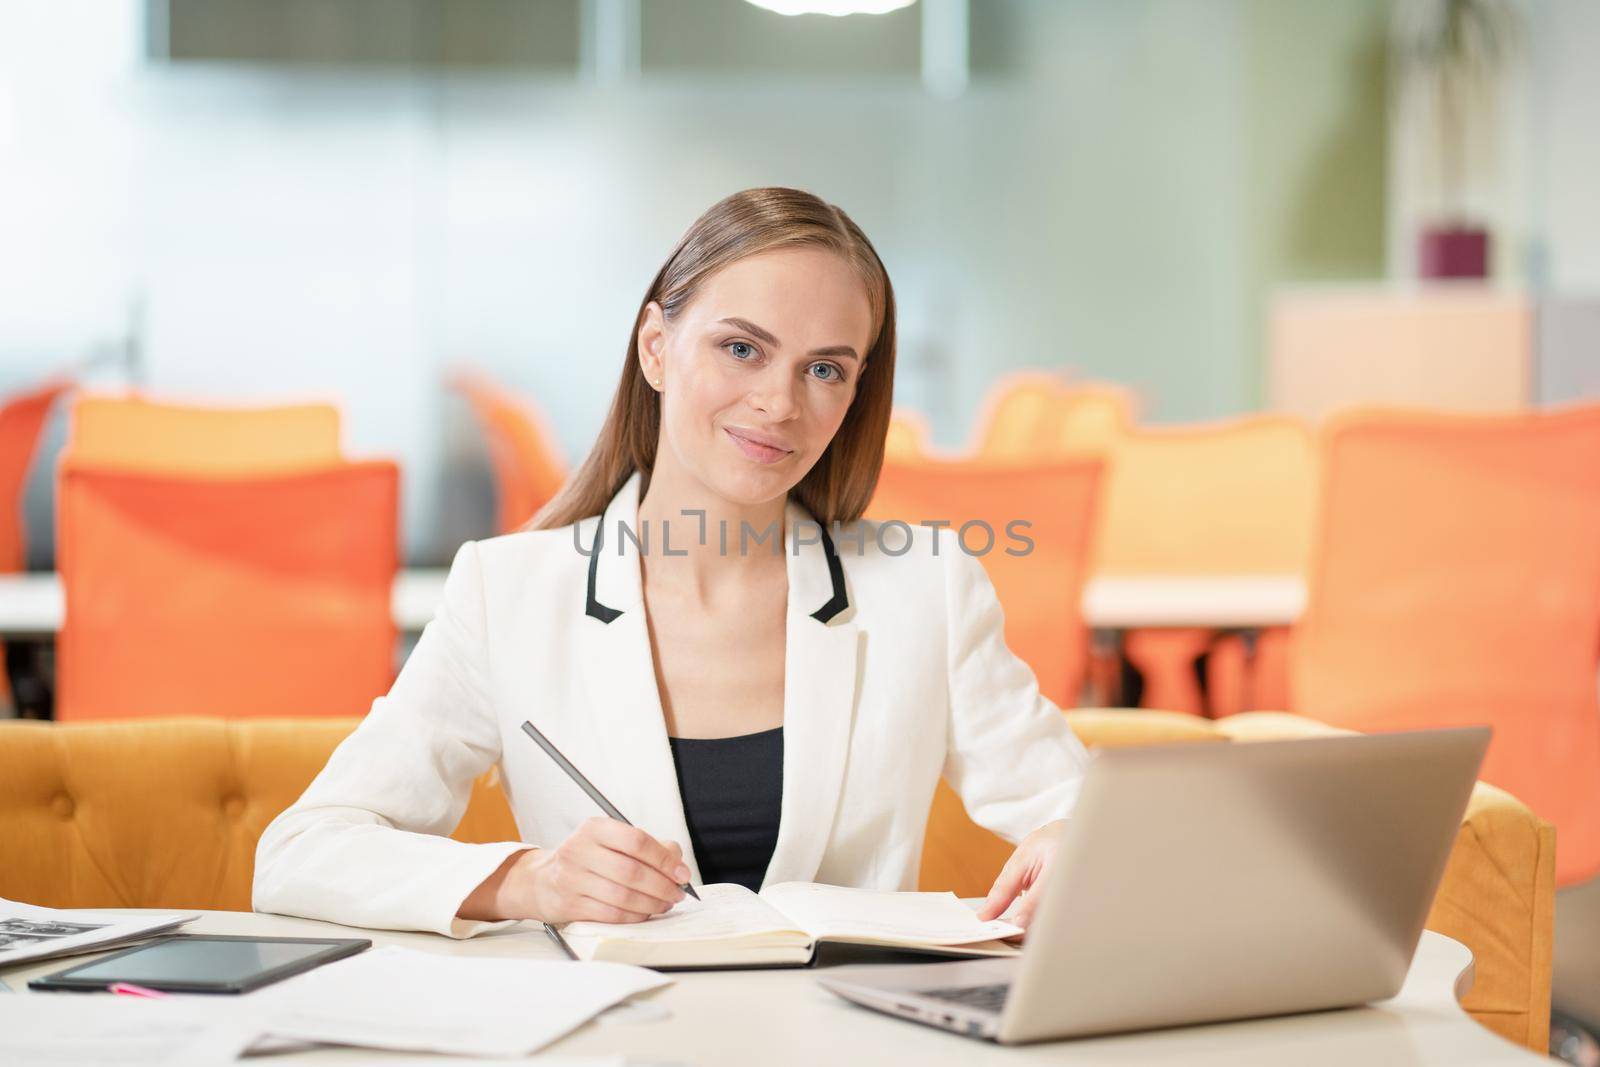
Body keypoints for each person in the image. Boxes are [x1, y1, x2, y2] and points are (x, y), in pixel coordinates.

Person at [253, 187, 1090, 940]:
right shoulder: (506, 592)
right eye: (741, 349)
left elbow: (1088, 815)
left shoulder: (925, 587)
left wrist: (1073, 839)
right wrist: (529, 880)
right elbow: (302, 852)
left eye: (825, 369)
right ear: (656, 346)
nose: (779, 403)